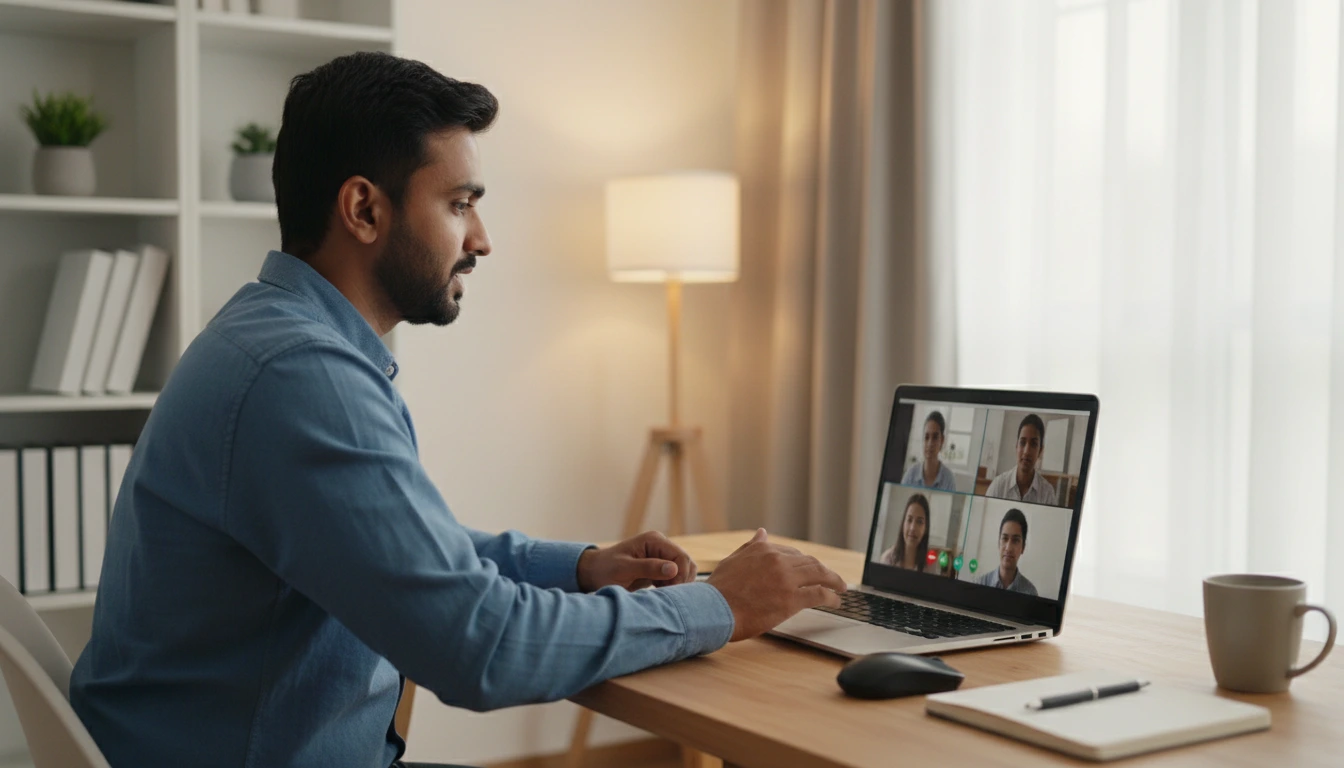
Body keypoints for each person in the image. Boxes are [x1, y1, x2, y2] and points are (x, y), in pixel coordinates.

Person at [68, 52, 847, 768]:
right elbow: (482, 648)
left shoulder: (275, 339)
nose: (481, 238)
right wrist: (718, 604)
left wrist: (579, 568)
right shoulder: (301, 376)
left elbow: (402, 553)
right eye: (459, 203)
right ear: (364, 210)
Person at [984, 414, 1057, 504]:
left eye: (1033, 444)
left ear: (1040, 451)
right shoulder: (998, 486)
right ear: (1016, 446)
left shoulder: (1047, 493)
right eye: (1022, 442)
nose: (1026, 451)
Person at [975, 508, 1039, 596]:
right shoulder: (981, 584)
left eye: (1015, 540)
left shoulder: (1030, 592)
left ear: (1023, 547)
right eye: (1005, 538)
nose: (1008, 548)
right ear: (998, 543)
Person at [878, 493, 939, 573]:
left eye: (919, 522)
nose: (912, 528)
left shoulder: (931, 565)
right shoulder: (887, 559)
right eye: (909, 520)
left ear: (926, 528)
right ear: (903, 523)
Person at [900, 410, 958, 491]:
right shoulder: (910, 475)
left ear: (942, 440)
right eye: (926, 437)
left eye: (935, 437)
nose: (930, 443)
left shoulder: (949, 479)